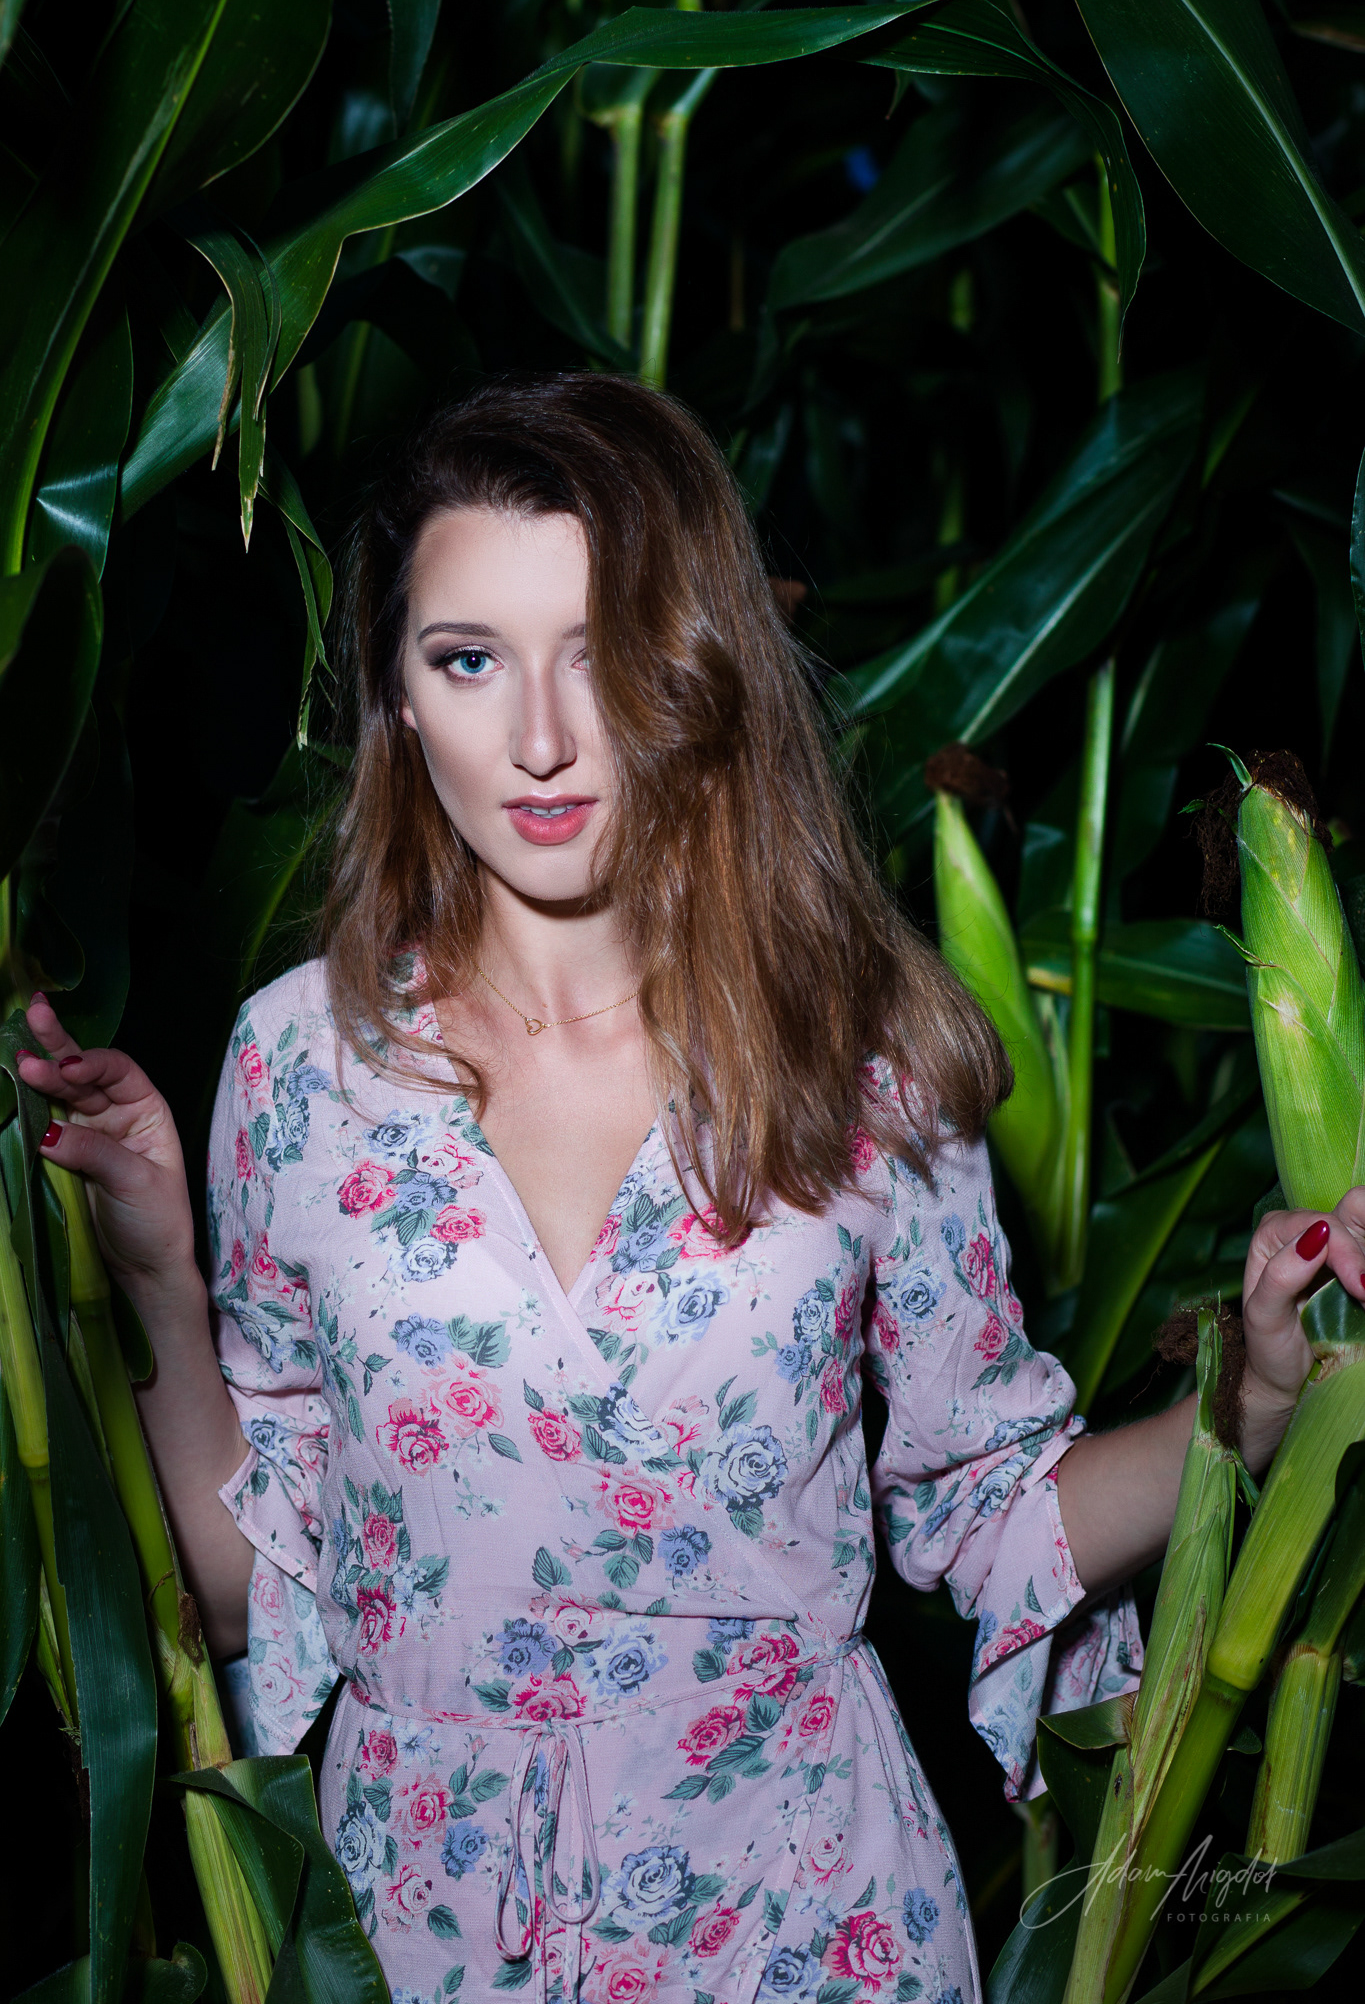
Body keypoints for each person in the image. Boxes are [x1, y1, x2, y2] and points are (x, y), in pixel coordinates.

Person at [19, 373, 1357, 2004]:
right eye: (469, 660)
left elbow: (998, 1509)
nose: (539, 739)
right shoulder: (299, 1061)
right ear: (397, 695)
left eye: (599, 654)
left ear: (699, 666)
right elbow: (248, 1597)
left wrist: (1256, 1403)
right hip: (425, 1926)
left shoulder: (857, 1049)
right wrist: (160, 1277)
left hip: (799, 1911)